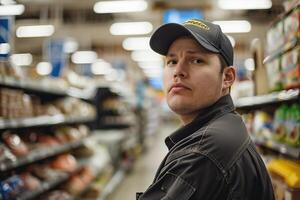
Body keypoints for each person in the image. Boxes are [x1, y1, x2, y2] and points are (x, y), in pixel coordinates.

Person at [136, 19, 275, 200]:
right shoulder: (224, 129)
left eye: (196, 60)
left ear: (227, 77)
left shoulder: (203, 154)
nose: (178, 70)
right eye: (172, 61)